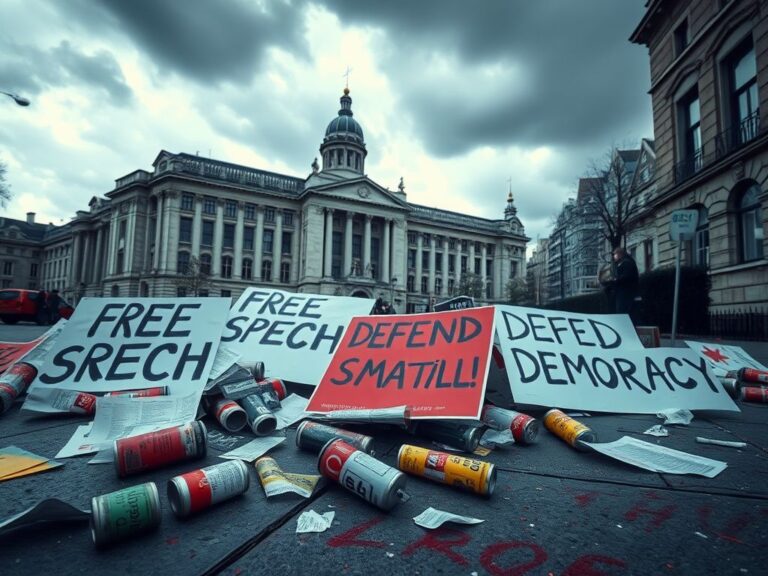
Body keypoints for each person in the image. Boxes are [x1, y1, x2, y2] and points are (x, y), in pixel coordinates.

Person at [604, 246, 639, 318]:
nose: (614, 256)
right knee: (621, 311)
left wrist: (615, 280)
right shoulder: (625, 262)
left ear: (619, 254)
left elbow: (626, 277)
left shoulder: (627, 263)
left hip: (626, 293)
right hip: (624, 292)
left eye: (614, 254)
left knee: (623, 311)